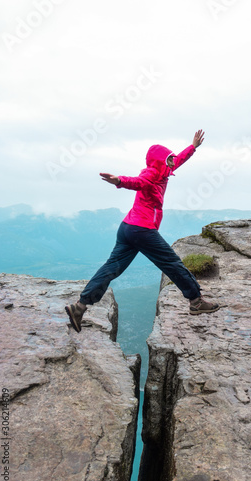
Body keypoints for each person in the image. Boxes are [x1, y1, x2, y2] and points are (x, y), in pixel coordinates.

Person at [65, 129, 219, 333]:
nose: (173, 161)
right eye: (169, 158)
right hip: (142, 230)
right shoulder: (151, 174)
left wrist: (193, 147)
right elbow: (138, 182)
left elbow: (179, 160)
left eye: (172, 157)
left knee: (111, 268)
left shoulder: (163, 170)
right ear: (160, 161)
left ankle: (80, 306)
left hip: (127, 227)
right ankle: (196, 301)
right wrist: (119, 181)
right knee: (172, 263)